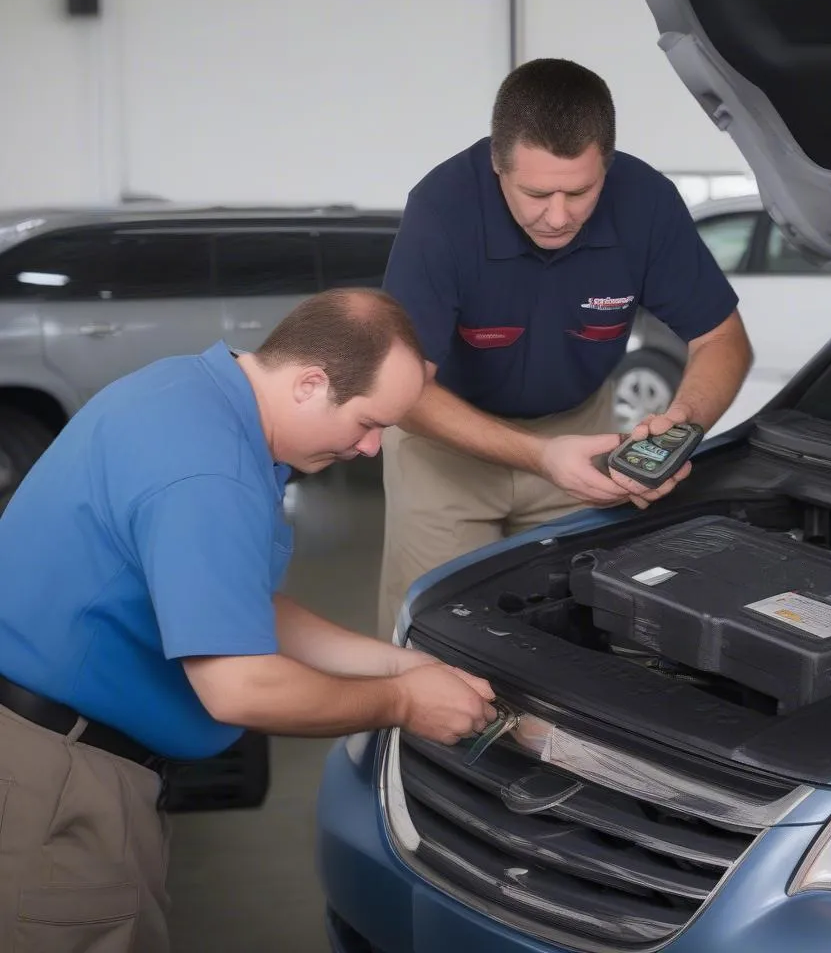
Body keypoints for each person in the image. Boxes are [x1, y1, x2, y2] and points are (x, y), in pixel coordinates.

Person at [0, 288, 496, 953]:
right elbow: (241, 686)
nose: (373, 448)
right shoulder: (212, 472)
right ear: (310, 384)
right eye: (368, 422)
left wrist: (400, 662)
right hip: (58, 785)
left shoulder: (191, 391)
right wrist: (404, 702)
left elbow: (230, 605)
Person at [377, 58, 753, 639]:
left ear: (607, 163)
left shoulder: (646, 202)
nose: (558, 216)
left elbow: (722, 338)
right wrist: (541, 456)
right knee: (437, 639)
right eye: (535, 193)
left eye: (580, 191)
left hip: (581, 432)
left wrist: (683, 425)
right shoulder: (441, 210)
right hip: (444, 447)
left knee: (575, 631)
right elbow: (401, 393)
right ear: (497, 166)